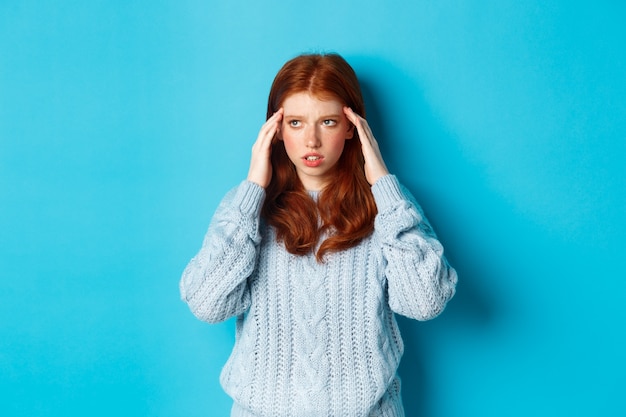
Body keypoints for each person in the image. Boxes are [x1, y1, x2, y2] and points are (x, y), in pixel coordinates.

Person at [179, 53, 457, 417]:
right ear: (275, 130)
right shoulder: (245, 208)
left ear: (351, 126)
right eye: (295, 122)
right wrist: (252, 190)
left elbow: (425, 302)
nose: (311, 140)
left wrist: (383, 184)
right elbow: (207, 304)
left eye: (327, 121)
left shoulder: (389, 208)